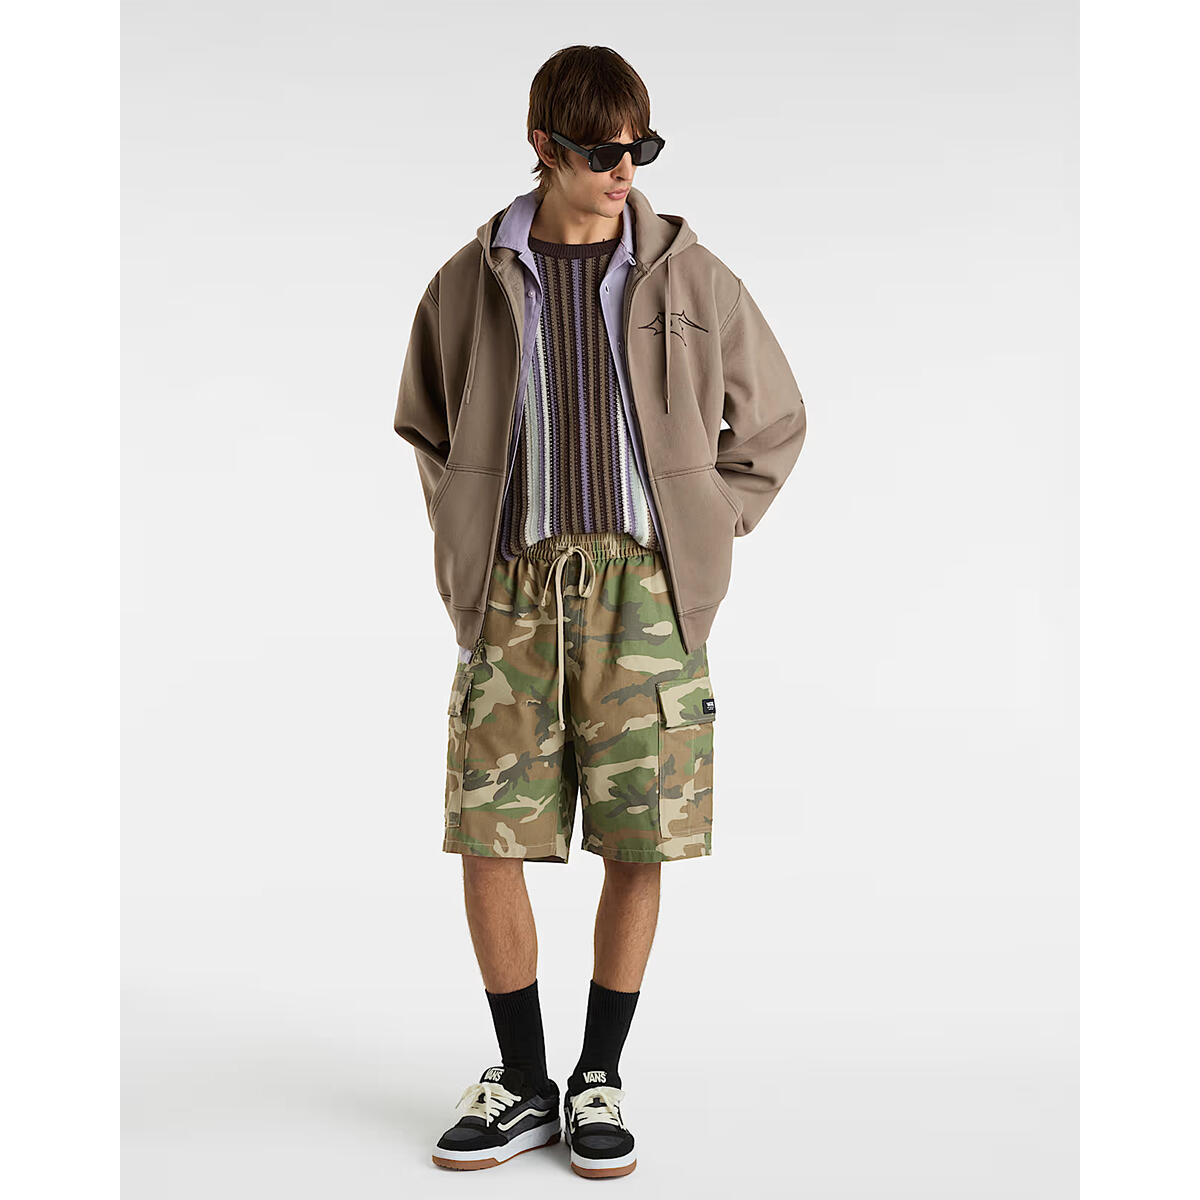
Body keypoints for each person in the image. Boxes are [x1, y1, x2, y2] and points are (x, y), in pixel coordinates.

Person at [393, 44, 806, 1178]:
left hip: (643, 593)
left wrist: (706, 526)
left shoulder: (691, 277)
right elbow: (426, 425)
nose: (625, 171)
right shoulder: (470, 281)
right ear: (544, 146)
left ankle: (598, 1078)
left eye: (641, 148)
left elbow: (773, 423)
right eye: (601, 152)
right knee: (489, 834)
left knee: (640, 835)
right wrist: (468, 537)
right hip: (515, 593)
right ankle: (523, 1081)